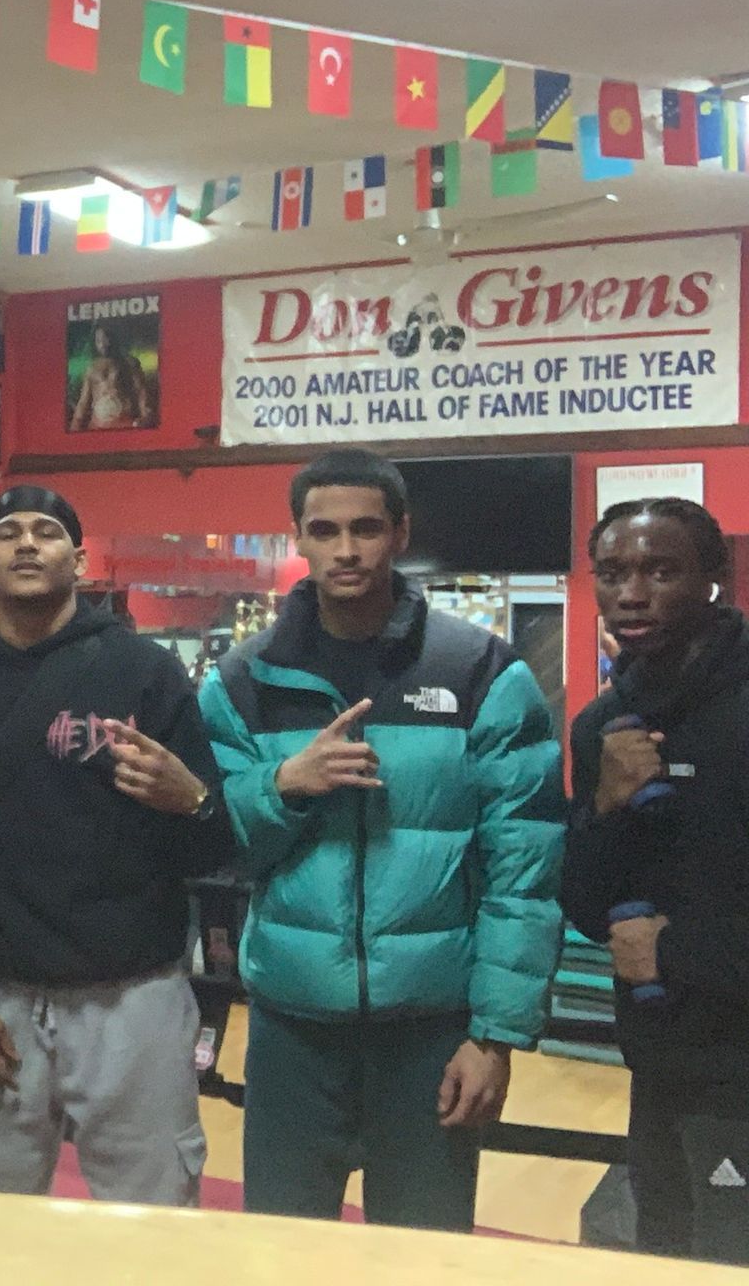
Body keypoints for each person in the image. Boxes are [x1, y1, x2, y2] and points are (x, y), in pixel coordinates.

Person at [198, 448, 565, 1232]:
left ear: (400, 533)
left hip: (429, 1030)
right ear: (298, 536)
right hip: (291, 1028)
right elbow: (211, 840)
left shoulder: (481, 673)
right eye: (324, 530)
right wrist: (281, 787)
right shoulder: (241, 681)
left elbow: (523, 868)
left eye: (366, 528)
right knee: (282, 1257)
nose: (347, 549)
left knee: (425, 1258)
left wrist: (496, 1036)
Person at [0, 486, 233, 1205]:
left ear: (80, 559)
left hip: (132, 995)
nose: (27, 544)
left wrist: (195, 800)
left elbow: (212, 847)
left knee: (153, 1221)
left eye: (47, 532)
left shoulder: (146, 673)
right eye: (9, 533)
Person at [563, 498, 749, 1264]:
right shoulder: (604, 725)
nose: (632, 594)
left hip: (740, 1064)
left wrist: (674, 958)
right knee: (662, 1254)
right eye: (612, 574)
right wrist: (605, 806)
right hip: (658, 1058)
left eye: (661, 570)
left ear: (714, 579)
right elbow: (583, 908)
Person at [68, 327, 156, 431]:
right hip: (97, 427)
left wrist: (146, 416)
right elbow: (83, 402)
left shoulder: (129, 363)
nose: (103, 344)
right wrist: (74, 427)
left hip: (124, 426)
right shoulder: (91, 368)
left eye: (106, 339)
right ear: (95, 343)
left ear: (114, 339)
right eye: (99, 341)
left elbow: (141, 392)